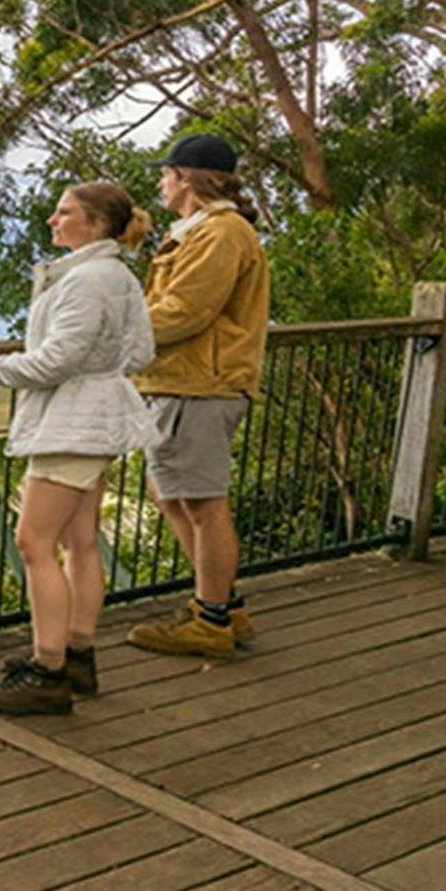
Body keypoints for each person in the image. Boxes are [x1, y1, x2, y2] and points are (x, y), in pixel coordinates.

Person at [0, 182, 160, 714]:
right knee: (81, 539)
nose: (52, 220)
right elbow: (140, 350)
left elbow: (52, 363)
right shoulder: (119, 276)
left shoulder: (87, 280)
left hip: (71, 424)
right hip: (99, 420)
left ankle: (47, 671)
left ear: (94, 225)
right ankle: (78, 656)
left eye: (64, 212)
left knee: (33, 541)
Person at [125, 133, 270, 660]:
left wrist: (111, 337)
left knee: (205, 504)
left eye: (166, 174)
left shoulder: (220, 234)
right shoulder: (203, 232)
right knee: (172, 492)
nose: (160, 183)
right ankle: (223, 605)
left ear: (187, 179)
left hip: (200, 383)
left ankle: (211, 621)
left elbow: (185, 310)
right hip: (183, 381)